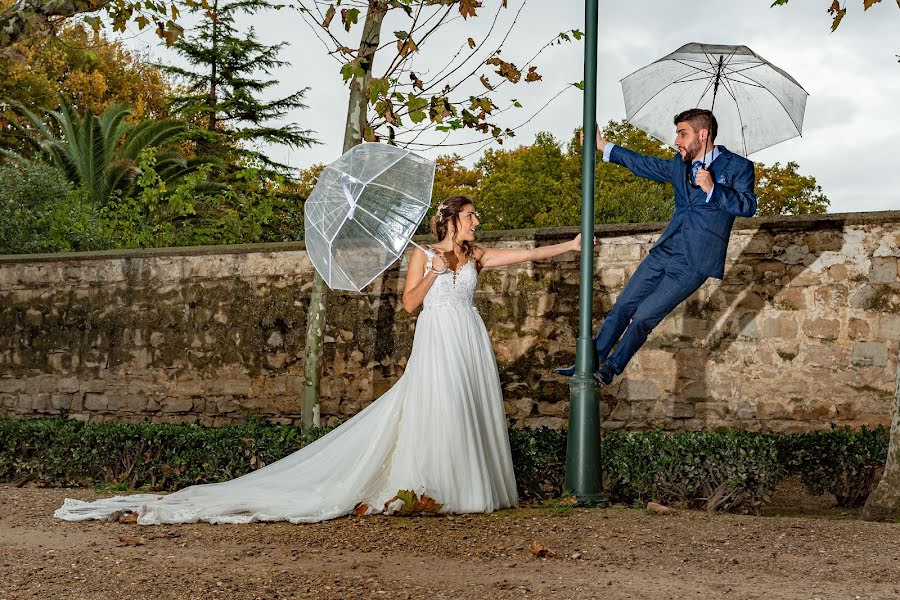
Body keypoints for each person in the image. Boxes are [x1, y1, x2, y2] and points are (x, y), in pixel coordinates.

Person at [56, 195, 590, 525]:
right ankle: (432, 487)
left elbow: (522, 254)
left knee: (467, 406)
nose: (478, 222)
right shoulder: (424, 255)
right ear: (451, 220)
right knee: (437, 405)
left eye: (476, 218)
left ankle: (469, 489)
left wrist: (567, 247)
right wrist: (439, 266)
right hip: (436, 333)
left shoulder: (476, 254)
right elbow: (408, 305)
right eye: (472, 216)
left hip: (467, 335)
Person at [555, 108, 757, 385]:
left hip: (694, 262)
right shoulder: (679, 164)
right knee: (622, 307)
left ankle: (611, 367)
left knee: (644, 317)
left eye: (682, 133)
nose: (676, 140)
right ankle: (588, 363)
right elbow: (644, 164)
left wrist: (713, 189)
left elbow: (748, 206)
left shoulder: (738, 167)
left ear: (703, 134)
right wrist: (603, 146)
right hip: (665, 251)